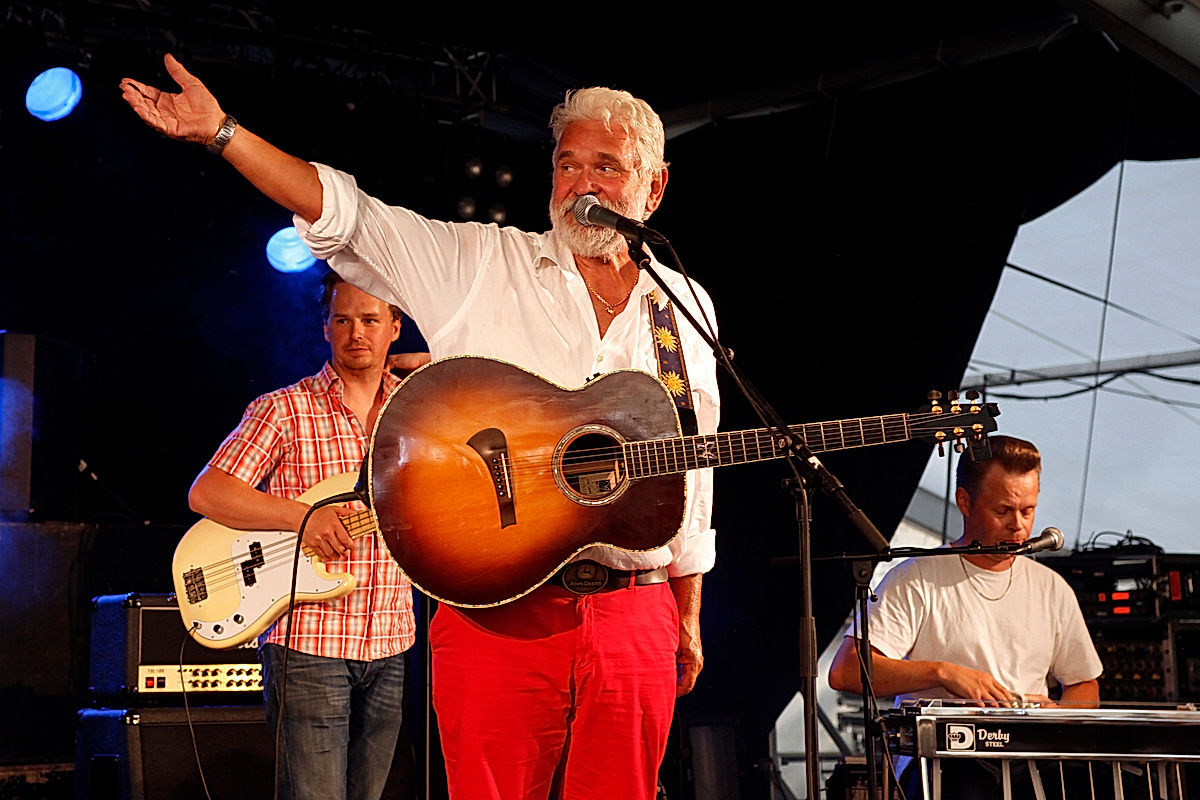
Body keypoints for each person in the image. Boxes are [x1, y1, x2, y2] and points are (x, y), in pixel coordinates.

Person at [122, 55, 719, 800]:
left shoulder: (681, 306)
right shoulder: (479, 264)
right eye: (568, 166)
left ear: (653, 187)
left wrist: (684, 615)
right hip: (499, 618)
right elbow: (348, 214)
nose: (582, 185)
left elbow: (691, 474)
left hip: (635, 614)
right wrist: (222, 133)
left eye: (607, 166)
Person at [187, 272, 415, 800]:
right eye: (343, 320)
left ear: (395, 328)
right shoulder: (283, 409)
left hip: (394, 638)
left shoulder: (417, 412)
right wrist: (303, 518)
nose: (357, 332)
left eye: (371, 320)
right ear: (325, 328)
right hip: (309, 640)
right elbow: (208, 493)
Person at [828, 435, 1103, 797]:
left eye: (1028, 511)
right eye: (1003, 510)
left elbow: (1084, 685)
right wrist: (943, 672)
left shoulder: (1052, 588)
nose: (1018, 526)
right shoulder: (917, 576)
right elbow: (846, 671)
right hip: (943, 766)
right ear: (965, 502)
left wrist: (1056, 715)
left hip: (1033, 760)